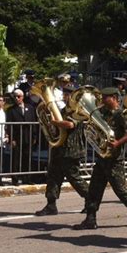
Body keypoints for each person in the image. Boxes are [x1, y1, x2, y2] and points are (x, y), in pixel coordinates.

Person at [73, 87, 127, 230]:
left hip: (114, 159)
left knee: (120, 189)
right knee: (94, 189)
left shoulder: (121, 114)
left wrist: (118, 142)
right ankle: (90, 219)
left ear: (114, 98)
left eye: (105, 97)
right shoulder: (101, 112)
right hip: (102, 157)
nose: (102, 100)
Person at [35, 86, 89, 216]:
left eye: (68, 95)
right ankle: (51, 205)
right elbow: (57, 127)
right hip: (59, 148)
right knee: (53, 176)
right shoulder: (63, 110)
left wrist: (55, 122)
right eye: (65, 94)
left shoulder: (79, 110)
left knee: (74, 177)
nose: (66, 97)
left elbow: (70, 125)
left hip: (72, 150)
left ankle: (91, 200)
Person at [6, 89, 37, 185]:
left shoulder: (30, 108)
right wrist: (11, 139)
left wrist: (34, 136)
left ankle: (27, 178)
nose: (16, 98)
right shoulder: (11, 110)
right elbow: (9, 125)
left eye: (18, 96)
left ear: (22, 97)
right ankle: (15, 179)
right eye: (15, 96)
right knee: (15, 159)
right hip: (17, 137)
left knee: (27, 158)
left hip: (28, 137)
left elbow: (34, 122)